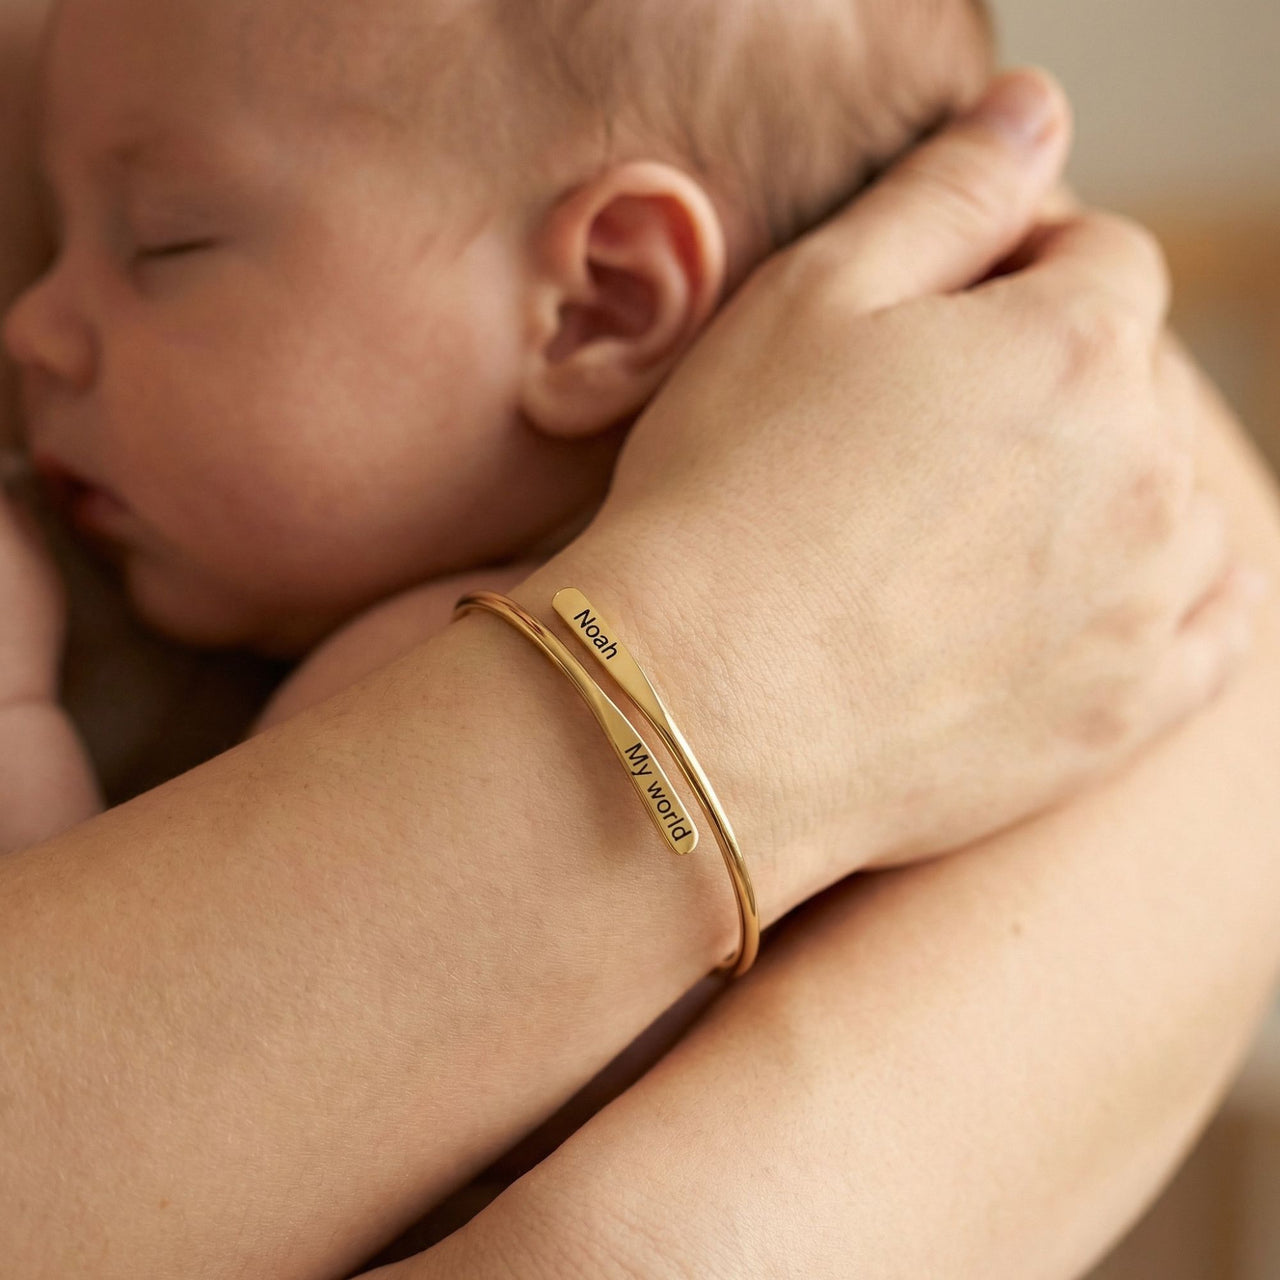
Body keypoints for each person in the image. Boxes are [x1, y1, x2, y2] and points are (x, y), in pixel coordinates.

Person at [0, 21, 1278, 1280]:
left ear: (600, 298)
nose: (34, 328)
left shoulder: (397, 676)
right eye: (53, 241)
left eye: (166, 240)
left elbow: (172, 1114)